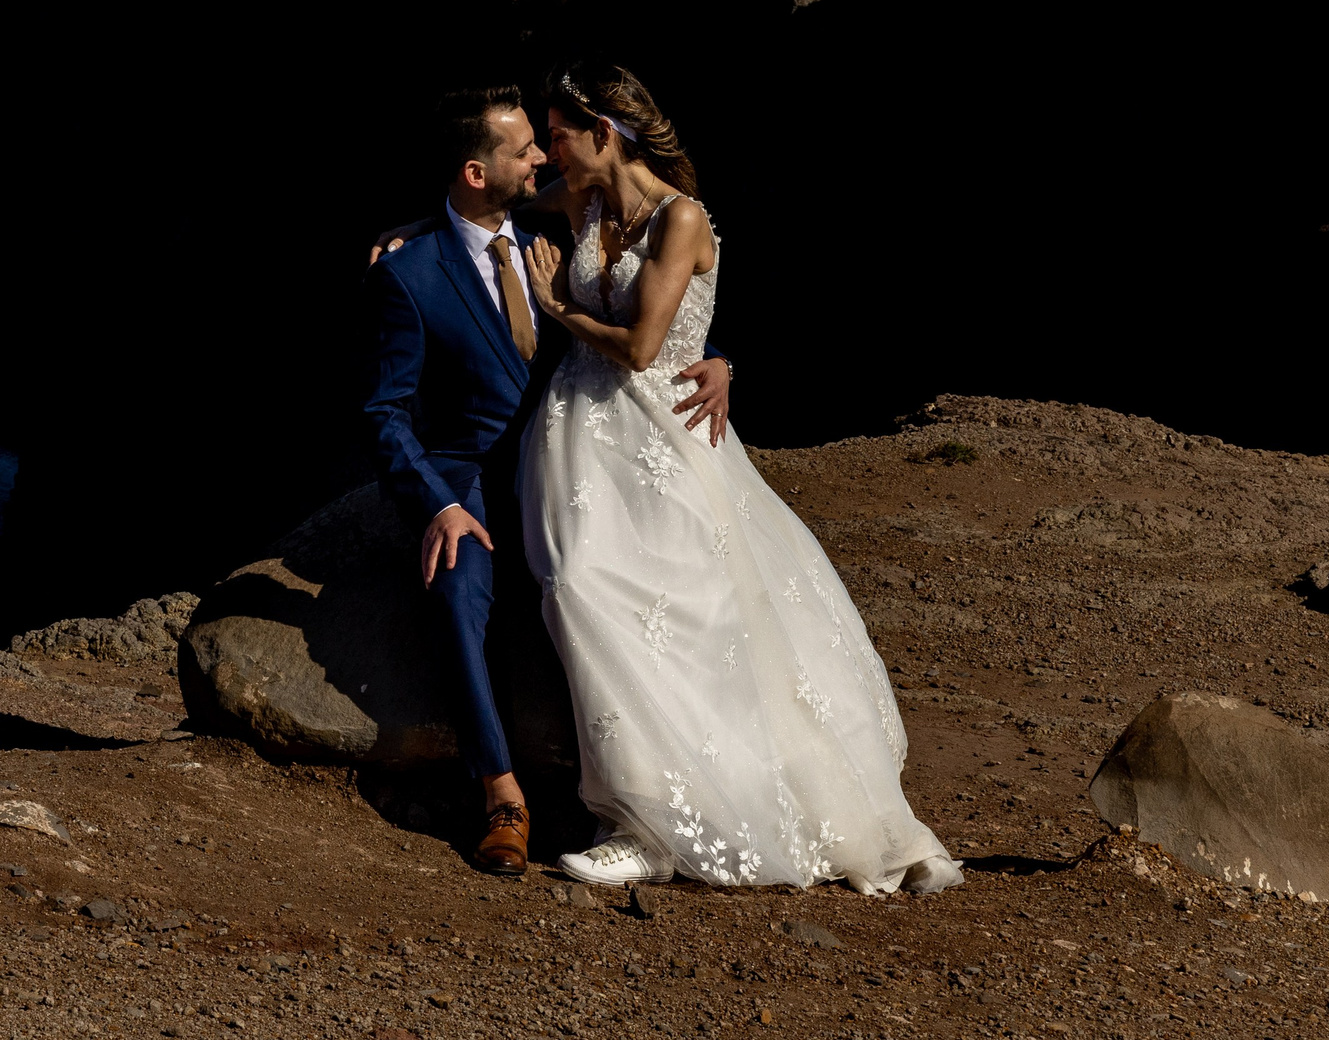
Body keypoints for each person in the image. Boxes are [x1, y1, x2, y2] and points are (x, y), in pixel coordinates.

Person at [514, 60, 963, 893]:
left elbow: (644, 347)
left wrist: (559, 308)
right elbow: (495, 202)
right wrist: (416, 228)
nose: (548, 152)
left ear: (604, 133)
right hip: (581, 446)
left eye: (559, 135)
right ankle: (637, 813)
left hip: (668, 433)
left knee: (685, 610)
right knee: (583, 587)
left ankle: (651, 826)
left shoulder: (679, 216)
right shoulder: (586, 201)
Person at [361, 85, 730, 874]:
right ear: (475, 171)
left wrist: (722, 360)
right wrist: (438, 503)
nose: (542, 158)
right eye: (524, 149)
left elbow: (658, 300)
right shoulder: (409, 274)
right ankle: (503, 795)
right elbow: (384, 413)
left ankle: (675, 786)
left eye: (544, 140)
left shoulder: (557, 224)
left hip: (576, 462)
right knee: (458, 590)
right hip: (473, 479)